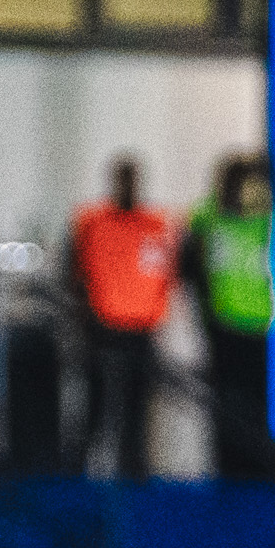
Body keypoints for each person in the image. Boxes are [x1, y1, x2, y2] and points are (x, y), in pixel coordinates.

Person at [67, 155, 175, 480]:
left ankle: (134, 479)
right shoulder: (91, 222)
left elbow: (165, 272)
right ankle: (78, 481)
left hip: (141, 330)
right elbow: (74, 272)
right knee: (95, 413)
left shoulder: (154, 224)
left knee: (136, 416)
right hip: (101, 330)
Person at [179, 153, 272, 478]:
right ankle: (227, 471)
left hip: (263, 329)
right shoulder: (207, 218)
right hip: (223, 326)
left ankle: (258, 471)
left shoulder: (269, 221)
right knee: (226, 408)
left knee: (260, 407)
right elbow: (188, 265)